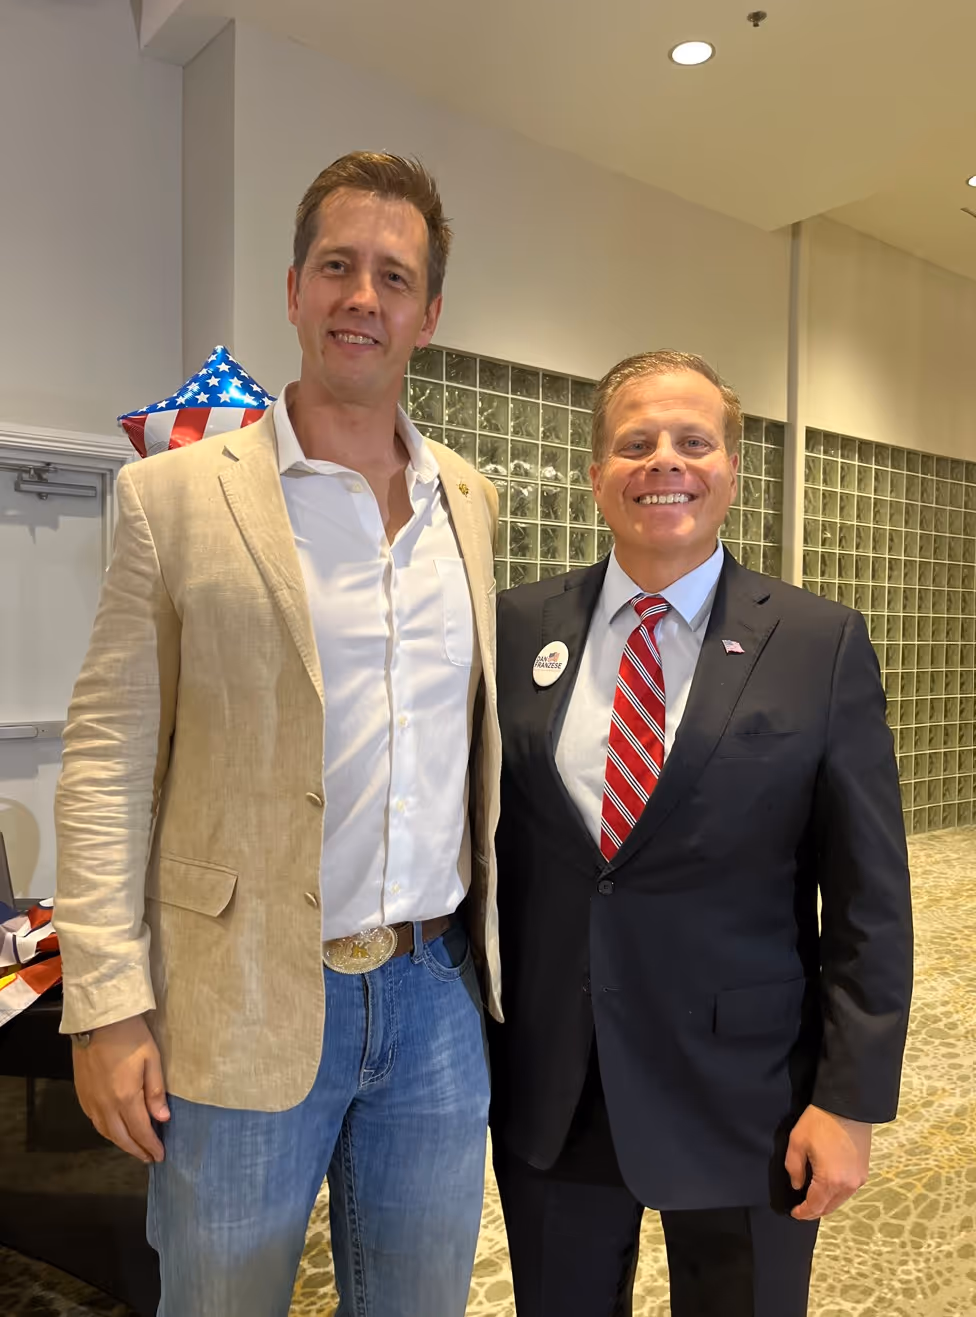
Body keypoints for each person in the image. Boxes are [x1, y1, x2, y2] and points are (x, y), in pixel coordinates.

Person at [54, 151, 502, 1317]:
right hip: (235, 993)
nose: (364, 296)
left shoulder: (471, 499)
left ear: (428, 312)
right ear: (295, 290)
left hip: (434, 998)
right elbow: (107, 758)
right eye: (338, 267)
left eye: (392, 276)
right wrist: (106, 1000)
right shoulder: (176, 496)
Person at [489, 350, 913, 1317]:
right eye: (634, 443)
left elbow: (869, 899)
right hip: (560, 1089)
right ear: (597, 475)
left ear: (731, 471)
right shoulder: (516, 628)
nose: (663, 462)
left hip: (751, 1096)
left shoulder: (817, 642)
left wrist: (849, 1100)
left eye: (692, 440)